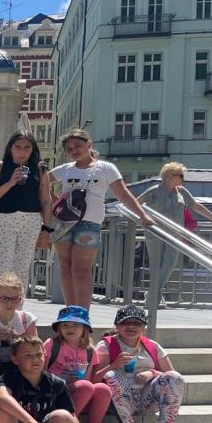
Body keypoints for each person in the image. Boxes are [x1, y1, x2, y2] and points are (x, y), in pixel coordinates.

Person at [51, 129, 154, 310]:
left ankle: (82, 314)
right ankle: (70, 312)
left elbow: (122, 193)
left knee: (82, 270)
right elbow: (41, 181)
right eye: (69, 149)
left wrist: (142, 215)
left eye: (78, 146)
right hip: (64, 223)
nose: (74, 151)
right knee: (65, 268)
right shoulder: (66, 169)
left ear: (89, 144)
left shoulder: (105, 168)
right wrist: (54, 202)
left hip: (89, 223)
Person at [93, 304, 188, 423]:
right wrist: (114, 365)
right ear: (117, 326)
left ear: (144, 327)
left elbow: (171, 376)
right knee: (111, 375)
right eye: (126, 322)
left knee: (175, 377)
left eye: (137, 323)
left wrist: (153, 373)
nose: (131, 327)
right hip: (117, 402)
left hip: (146, 400)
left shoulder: (153, 346)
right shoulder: (106, 345)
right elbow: (94, 379)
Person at [0, 131, 53, 310]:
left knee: (22, 268)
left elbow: (46, 200)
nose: (22, 151)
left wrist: (46, 228)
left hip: (31, 221)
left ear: (32, 149)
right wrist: (10, 182)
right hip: (5, 219)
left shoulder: (40, 169)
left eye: (27, 147)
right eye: (18, 147)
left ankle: (17, 312)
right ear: (10, 148)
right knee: (2, 267)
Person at [138, 161, 212, 307]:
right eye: (180, 175)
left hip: (175, 233)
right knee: (156, 265)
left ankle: (152, 294)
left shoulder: (182, 191)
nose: (183, 178)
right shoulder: (153, 190)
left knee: (170, 262)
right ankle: (155, 296)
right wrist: (142, 218)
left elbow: (196, 206)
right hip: (154, 232)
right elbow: (135, 203)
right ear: (168, 176)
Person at [44, 305, 113, 423]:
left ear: (84, 329)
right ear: (59, 328)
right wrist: (62, 379)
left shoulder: (90, 350)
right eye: (65, 325)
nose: (70, 328)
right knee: (85, 386)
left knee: (102, 388)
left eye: (76, 325)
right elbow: (41, 374)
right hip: (55, 392)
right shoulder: (52, 345)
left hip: (79, 393)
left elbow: (87, 380)